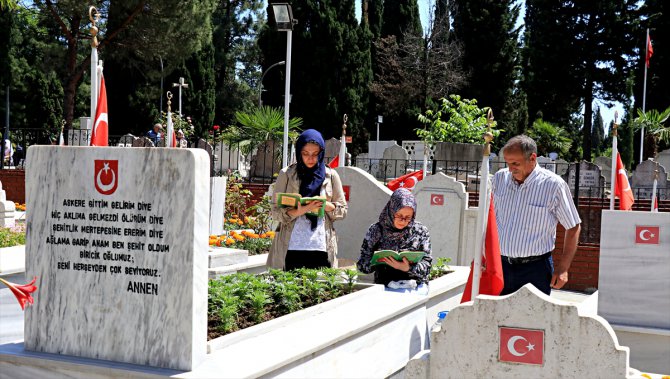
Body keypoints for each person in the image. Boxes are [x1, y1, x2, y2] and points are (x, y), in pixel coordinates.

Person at [492, 135, 581, 296]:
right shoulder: (499, 178)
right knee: (497, 318)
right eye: (507, 163)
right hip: (500, 266)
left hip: (535, 270)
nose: (510, 169)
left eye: (515, 163)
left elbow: (573, 226)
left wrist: (563, 268)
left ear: (532, 158)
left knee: (532, 320)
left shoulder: (553, 185)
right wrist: (483, 256)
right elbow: (489, 220)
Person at [267, 129, 347, 270]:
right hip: (291, 245)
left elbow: (343, 210)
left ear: (321, 153)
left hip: (321, 245)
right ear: (299, 152)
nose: (311, 159)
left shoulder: (332, 176)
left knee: (319, 290)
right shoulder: (286, 174)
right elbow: (274, 211)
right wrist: (301, 210)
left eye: (315, 154)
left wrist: (325, 204)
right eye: (305, 154)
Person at [357, 188, 433, 293]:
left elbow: (427, 265)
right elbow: (362, 266)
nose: (403, 221)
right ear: (391, 210)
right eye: (399, 216)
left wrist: (407, 267)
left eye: (408, 217)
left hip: (414, 288)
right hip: (385, 287)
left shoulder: (420, 231)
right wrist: (376, 262)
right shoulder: (376, 230)